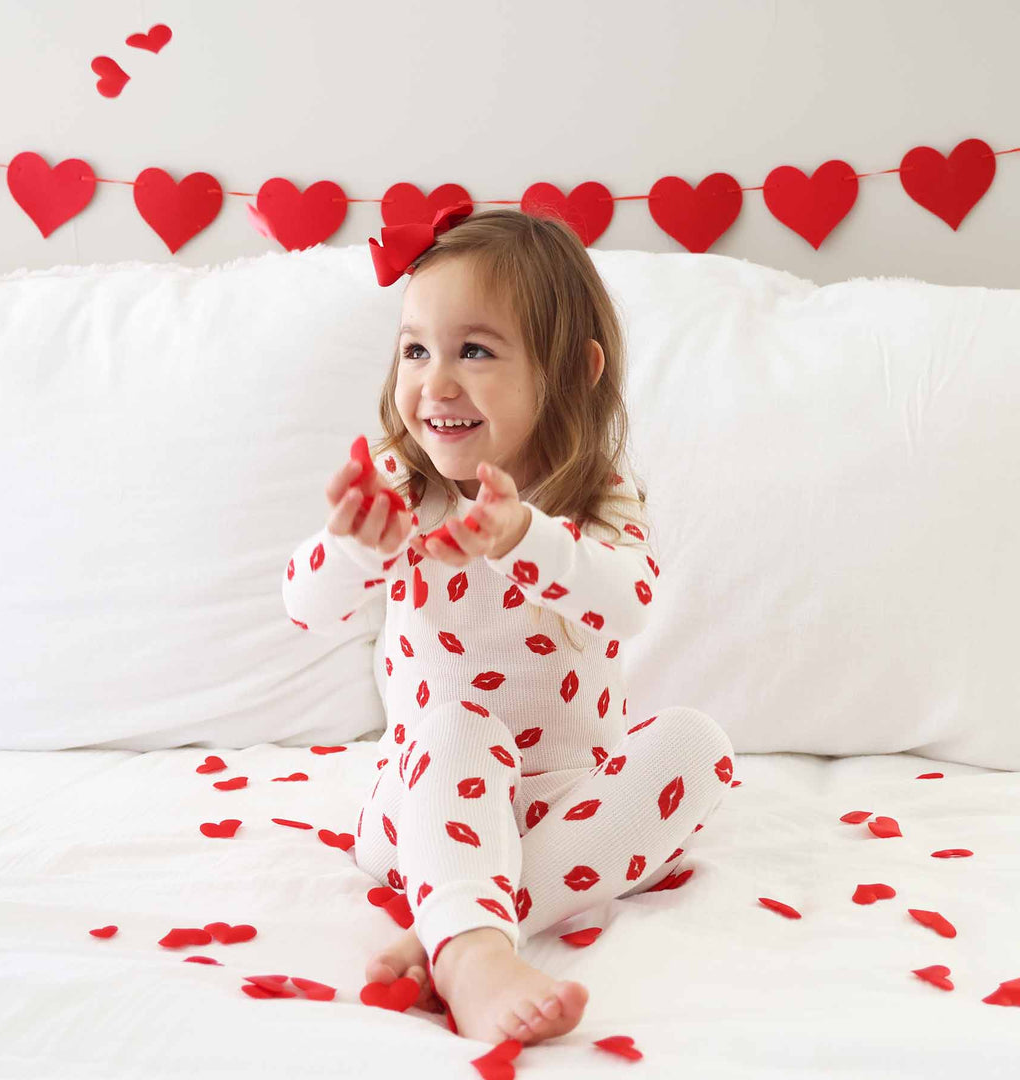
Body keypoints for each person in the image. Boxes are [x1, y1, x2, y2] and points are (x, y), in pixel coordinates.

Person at [282, 205, 736, 1045]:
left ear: (571, 372)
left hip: (571, 805)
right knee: (459, 720)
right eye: (416, 348)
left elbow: (629, 601)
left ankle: (453, 933)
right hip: (425, 795)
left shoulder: (597, 497)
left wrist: (529, 538)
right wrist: (351, 549)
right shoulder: (403, 490)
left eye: (475, 350)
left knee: (698, 744)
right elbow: (303, 607)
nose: (436, 382)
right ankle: (476, 943)